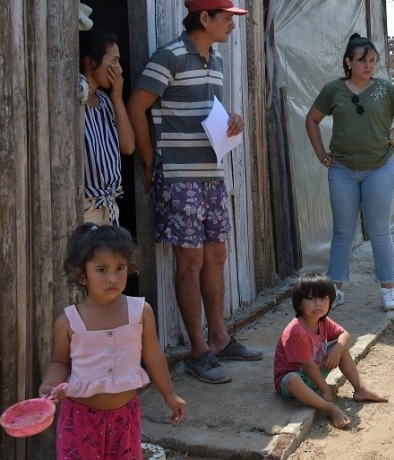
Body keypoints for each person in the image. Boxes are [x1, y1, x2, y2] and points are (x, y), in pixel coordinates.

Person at [126, 0, 261, 385]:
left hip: (211, 174)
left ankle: (219, 338)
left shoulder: (214, 61)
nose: (232, 27)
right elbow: (137, 106)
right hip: (180, 177)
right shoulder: (169, 56)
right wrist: (151, 162)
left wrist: (232, 118)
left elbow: (206, 111)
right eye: (227, 19)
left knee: (216, 256)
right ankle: (197, 351)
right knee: (191, 263)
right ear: (205, 18)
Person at [39, 224, 186, 459]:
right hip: (79, 419)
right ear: (81, 275)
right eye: (101, 270)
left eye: (120, 268)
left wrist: (169, 395)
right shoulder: (68, 321)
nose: (112, 278)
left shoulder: (141, 312)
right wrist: (49, 384)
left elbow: (154, 355)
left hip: (125, 418)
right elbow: (60, 362)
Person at [305, 33, 394, 311]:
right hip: (342, 170)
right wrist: (320, 153)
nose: (368, 65)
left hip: (379, 170)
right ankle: (334, 289)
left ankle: (388, 289)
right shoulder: (333, 89)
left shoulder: (385, 89)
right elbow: (312, 120)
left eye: (373, 60)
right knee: (342, 231)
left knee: (379, 230)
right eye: (362, 60)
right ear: (348, 62)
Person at [274, 272, 388, 429]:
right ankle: (329, 409)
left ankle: (361, 389)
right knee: (293, 379)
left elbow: (345, 335)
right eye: (311, 298)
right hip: (293, 381)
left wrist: (337, 350)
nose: (318, 303)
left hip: (313, 372)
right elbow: (308, 366)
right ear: (299, 303)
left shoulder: (322, 321)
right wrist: (325, 390)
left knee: (341, 348)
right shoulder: (296, 330)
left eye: (324, 298)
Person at [79, 28, 135, 225]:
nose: (119, 69)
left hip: (109, 208)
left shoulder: (105, 102)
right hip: (84, 210)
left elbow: (128, 147)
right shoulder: (73, 104)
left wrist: (117, 99)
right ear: (90, 62)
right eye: (113, 61)